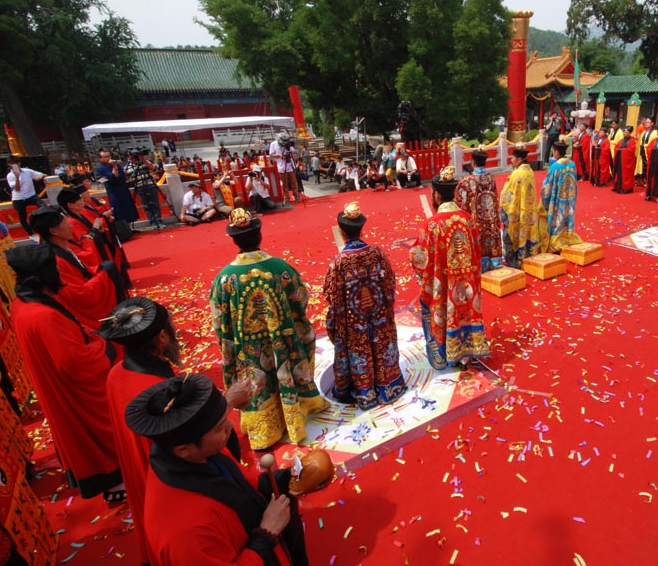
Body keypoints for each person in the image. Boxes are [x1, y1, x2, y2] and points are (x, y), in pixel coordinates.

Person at [103, 297, 253, 565]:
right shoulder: (153, 390)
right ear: (162, 337)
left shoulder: (116, 374)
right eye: (172, 326)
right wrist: (228, 401)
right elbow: (186, 433)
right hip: (183, 487)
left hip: (148, 479)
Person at [125, 374, 309, 566]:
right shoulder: (187, 534)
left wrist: (285, 478)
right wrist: (266, 534)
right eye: (219, 428)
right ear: (183, 450)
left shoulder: (196, 455)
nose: (230, 427)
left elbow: (239, 484)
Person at [5, 245, 126, 503]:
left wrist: (90, 334)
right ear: (44, 275)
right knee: (99, 432)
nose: (60, 271)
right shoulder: (43, 314)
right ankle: (113, 482)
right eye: (55, 268)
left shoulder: (22, 303)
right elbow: (75, 363)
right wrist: (105, 343)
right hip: (74, 390)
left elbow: (68, 332)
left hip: (54, 383)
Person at [210, 208, 328, 449]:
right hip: (282, 343)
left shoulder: (225, 279)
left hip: (249, 349)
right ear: (259, 235)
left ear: (234, 240)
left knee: (257, 377)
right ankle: (296, 413)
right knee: (288, 365)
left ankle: (265, 428)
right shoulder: (279, 268)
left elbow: (219, 322)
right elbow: (301, 298)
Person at [323, 202, 407, 409]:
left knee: (357, 348)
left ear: (342, 232)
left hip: (354, 323)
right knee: (380, 342)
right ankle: (388, 385)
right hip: (377, 316)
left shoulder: (339, 262)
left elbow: (331, 294)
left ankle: (363, 391)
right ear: (361, 229)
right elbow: (389, 282)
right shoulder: (376, 253)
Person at [410, 166, 490, 369]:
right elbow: (477, 250)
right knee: (465, 310)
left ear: (436, 195)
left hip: (444, 282)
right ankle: (467, 352)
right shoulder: (467, 219)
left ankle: (447, 352)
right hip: (466, 283)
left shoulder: (433, 225)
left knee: (442, 309)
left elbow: (418, 258)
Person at [29, 207, 124, 332]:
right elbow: (80, 294)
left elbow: (82, 269)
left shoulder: (61, 246)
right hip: (83, 312)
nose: (70, 225)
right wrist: (105, 272)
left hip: (85, 285)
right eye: (65, 223)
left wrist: (98, 270)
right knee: (109, 268)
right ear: (53, 231)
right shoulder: (54, 261)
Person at [454, 149, 503, 271]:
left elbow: (460, 202)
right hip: (490, 218)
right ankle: (494, 262)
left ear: (473, 162)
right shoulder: (491, 178)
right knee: (491, 237)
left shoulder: (467, 181)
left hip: (477, 220)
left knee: (478, 239)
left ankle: (481, 267)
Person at [499, 147, 548, 268]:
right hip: (529, 212)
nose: (511, 160)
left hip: (517, 212)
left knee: (512, 236)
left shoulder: (516, 173)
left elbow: (507, 195)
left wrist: (504, 209)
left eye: (513, 158)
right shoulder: (530, 171)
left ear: (519, 159)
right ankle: (527, 257)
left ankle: (515, 262)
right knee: (528, 234)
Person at [542, 141, 583, 252]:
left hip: (558, 199)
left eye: (553, 151)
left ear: (556, 152)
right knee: (567, 217)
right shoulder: (572, 164)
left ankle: (556, 240)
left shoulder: (555, 166)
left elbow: (547, 185)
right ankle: (568, 235)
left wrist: (544, 199)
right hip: (569, 198)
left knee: (557, 219)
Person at [5, 156, 46, 239]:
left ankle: (44, 227)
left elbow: (42, 174)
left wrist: (40, 177)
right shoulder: (10, 176)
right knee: (22, 217)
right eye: (13, 163)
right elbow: (17, 189)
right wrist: (17, 177)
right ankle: (31, 234)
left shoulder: (27, 171)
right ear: (9, 164)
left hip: (31, 196)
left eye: (17, 163)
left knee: (43, 206)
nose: (16, 165)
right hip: (18, 198)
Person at [94, 150, 139, 224]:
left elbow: (121, 176)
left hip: (123, 188)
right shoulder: (101, 168)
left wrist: (115, 173)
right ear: (100, 158)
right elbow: (112, 177)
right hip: (113, 191)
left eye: (109, 156)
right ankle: (122, 228)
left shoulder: (117, 165)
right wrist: (114, 169)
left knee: (128, 207)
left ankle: (130, 227)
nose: (108, 158)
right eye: (105, 157)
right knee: (117, 209)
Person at [126, 150, 163, 229]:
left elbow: (153, 168)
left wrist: (143, 160)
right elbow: (128, 176)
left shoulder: (145, 162)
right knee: (146, 206)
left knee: (155, 204)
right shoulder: (127, 166)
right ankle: (153, 223)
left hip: (150, 184)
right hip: (139, 187)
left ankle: (159, 221)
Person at [268, 131, 300, 203]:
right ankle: (287, 198)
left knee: (294, 182)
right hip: (281, 166)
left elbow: (292, 152)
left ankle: (296, 195)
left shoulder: (288, 143)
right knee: (284, 183)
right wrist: (280, 156)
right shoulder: (273, 144)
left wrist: (294, 159)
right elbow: (271, 155)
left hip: (290, 165)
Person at [612, 125, 638, 194]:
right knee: (618, 173)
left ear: (630, 133)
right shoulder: (621, 140)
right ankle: (618, 187)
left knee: (626, 175)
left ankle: (626, 188)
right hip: (620, 160)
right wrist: (620, 150)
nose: (625, 133)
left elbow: (631, 150)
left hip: (627, 161)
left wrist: (621, 150)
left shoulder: (632, 141)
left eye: (627, 132)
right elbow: (616, 148)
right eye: (624, 132)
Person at [635, 116, 657, 186]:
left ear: (652, 123)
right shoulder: (643, 132)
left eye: (648, 122)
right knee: (641, 166)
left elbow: (653, 144)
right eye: (646, 122)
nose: (646, 123)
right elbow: (639, 143)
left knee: (648, 167)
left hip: (648, 153)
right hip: (641, 152)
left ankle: (649, 182)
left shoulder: (655, 133)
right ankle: (641, 181)